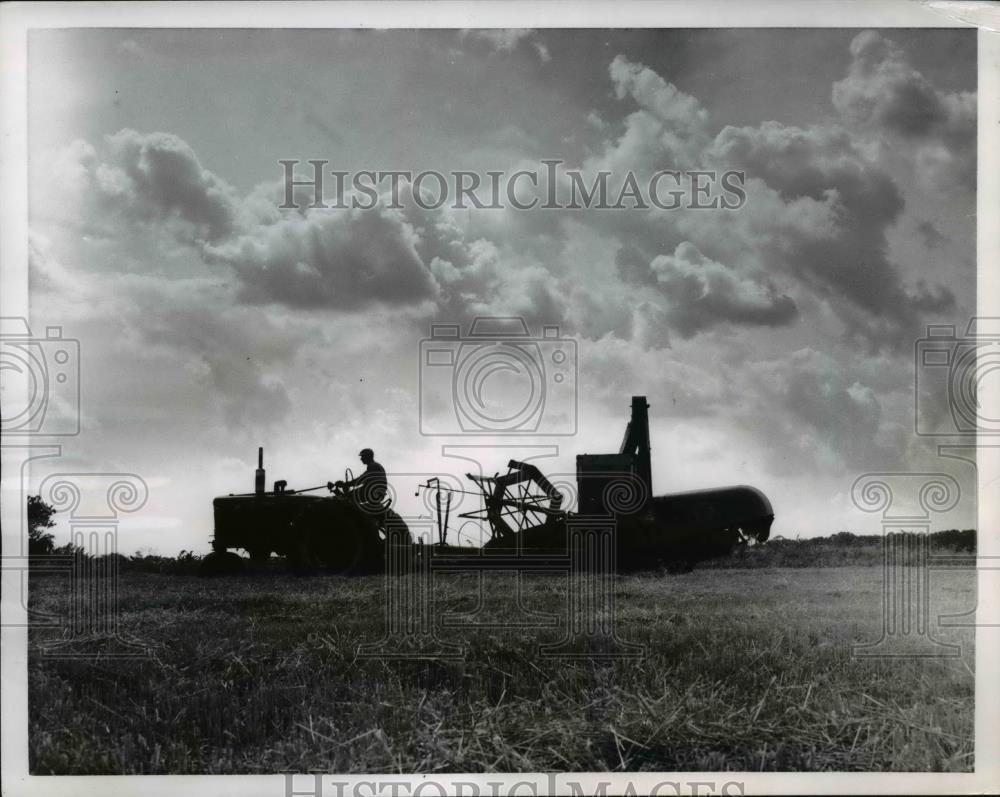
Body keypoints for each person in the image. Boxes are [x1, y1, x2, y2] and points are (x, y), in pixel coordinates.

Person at [329, 448, 389, 517]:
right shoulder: (375, 466)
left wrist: (345, 484)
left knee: (346, 498)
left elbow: (361, 479)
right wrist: (346, 485)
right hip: (375, 492)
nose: (361, 459)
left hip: (372, 492)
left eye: (362, 457)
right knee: (348, 497)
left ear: (367, 457)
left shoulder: (373, 466)